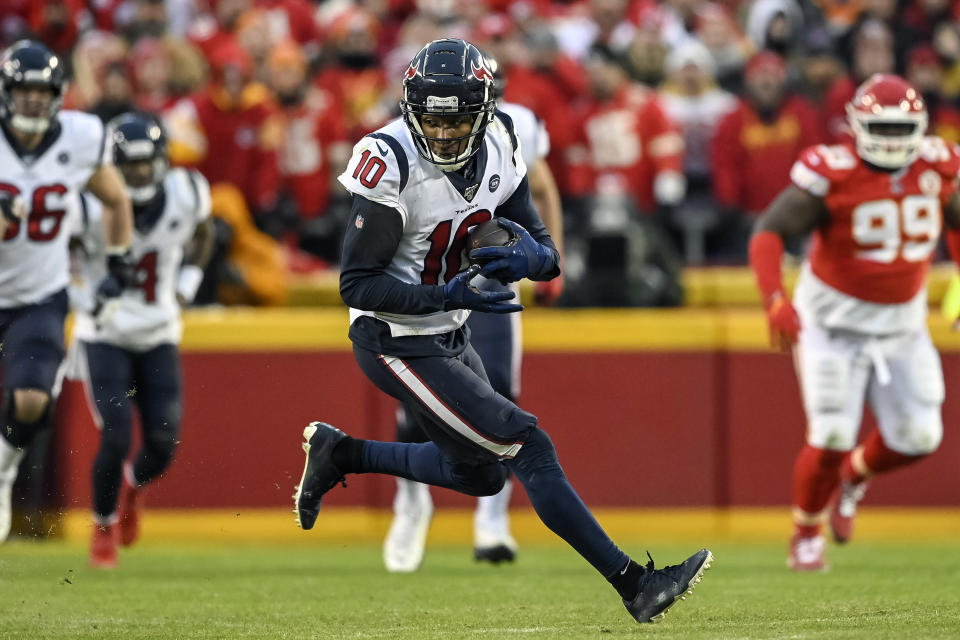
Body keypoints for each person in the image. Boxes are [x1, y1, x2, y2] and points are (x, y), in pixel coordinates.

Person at [293, 38, 711, 623]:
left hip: (450, 329)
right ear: (412, 109)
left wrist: (527, 262)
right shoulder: (388, 160)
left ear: (483, 111)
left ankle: (344, 453)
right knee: (527, 444)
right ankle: (634, 584)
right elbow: (357, 285)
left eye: (457, 118)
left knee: (484, 473)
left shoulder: (500, 145)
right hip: (393, 339)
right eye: (432, 121)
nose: (442, 134)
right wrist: (449, 292)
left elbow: (546, 250)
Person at [748, 74, 960, 571]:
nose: (890, 139)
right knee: (831, 433)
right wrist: (774, 298)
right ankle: (805, 533)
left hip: (903, 324)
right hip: (831, 324)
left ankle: (855, 475)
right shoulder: (833, 173)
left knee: (920, 437)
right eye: (880, 127)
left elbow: (956, 220)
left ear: (922, 127)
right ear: (857, 126)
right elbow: (769, 230)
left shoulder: (939, 165)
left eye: (900, 128)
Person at [382, 54, 565, 572]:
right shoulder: (405, 142)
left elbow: (541, 191)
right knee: (416, 406)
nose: (450, 124)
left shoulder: (514, 128)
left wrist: (550, 256)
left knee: (501, 394)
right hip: (433, 283)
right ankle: (411, 502)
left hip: (490, 281)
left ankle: (492, 517)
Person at [0, 40, 134, 542]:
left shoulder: (80, 137)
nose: (33, 99)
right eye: (23, 89)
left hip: (38, 292)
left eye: (42, 90)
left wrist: (118, 261)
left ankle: (3, 468)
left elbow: (115, 197)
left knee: (33, 400)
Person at [70, 112, 213, 567]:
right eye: (127, 165)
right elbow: (60, 251)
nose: (136, 173)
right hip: (105, 331)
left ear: (161, 160)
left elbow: (204, 233)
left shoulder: (186, 193)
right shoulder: (91, 202)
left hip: (158, 330)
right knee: (114, 433)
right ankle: (103, 523)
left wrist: (187, 283)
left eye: (144, 163)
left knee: (163, 441)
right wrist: (82, 297)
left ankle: (131, 488)